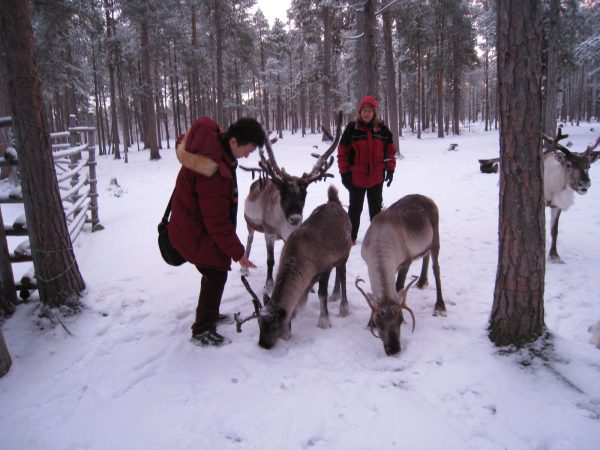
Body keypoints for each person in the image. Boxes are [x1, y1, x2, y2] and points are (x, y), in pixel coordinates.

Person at [168, 116, 265, 347]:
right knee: (215, 272)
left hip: (195, 224)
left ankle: (210, 314)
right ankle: (202, 329)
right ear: (233, 141)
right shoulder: (212, 171)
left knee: (214, 271)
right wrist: (239, 253)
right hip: (193, 230)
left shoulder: (216, 149)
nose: (247, 155)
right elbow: (217, 222)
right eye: (247, 150)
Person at [337, 95, 397, 244]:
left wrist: (390, 170)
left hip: (376, 178)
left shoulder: (382, 130)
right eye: (364, 110)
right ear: (360, 112)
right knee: (355, 210)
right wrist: (344, 173)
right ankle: (350, 238)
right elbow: (342, 152)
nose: (367, 113)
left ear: (374, 112)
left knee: (376, 210)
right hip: (356, 178)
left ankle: (376, 237)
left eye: (370, 110)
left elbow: (390, 152)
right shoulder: (352, 129)